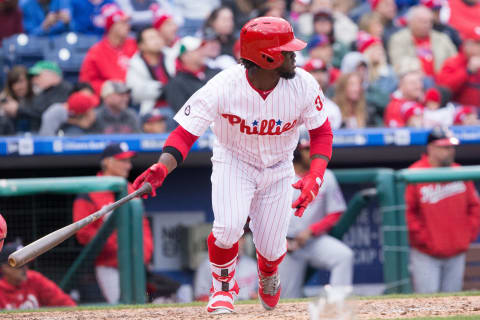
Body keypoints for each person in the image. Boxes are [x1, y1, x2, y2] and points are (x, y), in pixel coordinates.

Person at [132, 16, 333, 314]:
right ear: (266, 57)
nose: (294, 56)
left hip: (279, 168)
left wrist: (315, 174)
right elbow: (185, 134)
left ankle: (268, 273)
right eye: (287, 51)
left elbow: (322, 133)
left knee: (272, 248)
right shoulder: (223, 86)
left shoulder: (303, 84)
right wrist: (162, 166)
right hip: (234, 161)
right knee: (227, 229)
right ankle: (224, 289)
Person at [73, 143, 154, 304]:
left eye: (129, 161)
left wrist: (142, 254)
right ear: (107, 162)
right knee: (121, 308)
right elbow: (83, 234)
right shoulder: (90, 191)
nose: (128, 166)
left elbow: (142, 227)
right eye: (123, 161)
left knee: (140, 307)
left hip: (135, 265)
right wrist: (121, 249)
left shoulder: (130, 189)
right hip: (106, 266)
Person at [406, 127, 480, 293]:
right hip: (426, 255)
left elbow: (475, 207)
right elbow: (408, 213)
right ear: (431, 148)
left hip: (456, 253)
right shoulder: (415, 173)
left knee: (452, 306)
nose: (450, 151)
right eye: (444, 147)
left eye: (451, 147)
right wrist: (425, 240)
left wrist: (466, 236)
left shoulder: (459, 171)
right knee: (427, 306)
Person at [278, 137, 353, 298]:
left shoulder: (326, 176)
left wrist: (311, 231)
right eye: (306, 149)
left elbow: (336, 213)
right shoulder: (281, 176)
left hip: (313, 241)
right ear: (297, 151)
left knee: (344, 256)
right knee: (287, 298)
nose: (312, 154)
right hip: (285, 245)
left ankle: (337, 305)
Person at [79, 4, 137, 96]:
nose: (127, 26)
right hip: (111, 98)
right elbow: (87, 82)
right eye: (123, 23)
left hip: (136, 92)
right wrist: (107, 87)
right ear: (111, 27)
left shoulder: (134, 44)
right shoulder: (96, 51)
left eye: (127, 23)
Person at [388, 5, 456, 79]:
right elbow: (398, 63)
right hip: (414, 81)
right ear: (410, 22)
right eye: (422, 22)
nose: (426, 25)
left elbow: (454, 60)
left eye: (429, 22)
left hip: (443, 80)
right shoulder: (398, 39)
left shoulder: (442, 38)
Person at [0, 243, 76, 309]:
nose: (25, 268)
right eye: (21, 265)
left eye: (27, 264)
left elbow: (65, 303)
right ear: (4, 268)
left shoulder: (35, 279)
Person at [2, 61, 72, 133]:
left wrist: (18, 108)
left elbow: (44, 111)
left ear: (52, 75)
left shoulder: (65, 89)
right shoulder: (45, 91)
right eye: (32, 77)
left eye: (37, 76)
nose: (33, 80)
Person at [164, 36, 220, 113]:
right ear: (184, 56)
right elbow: (183, 114)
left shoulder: (217, 72)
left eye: (201, 49)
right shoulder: (176, 84)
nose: (202, 52)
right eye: (197, 50)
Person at [194, 234, 258, 302]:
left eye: (240, 238)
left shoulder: (251, 264)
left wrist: (255, 296)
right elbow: (200, 297)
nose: (237, 242)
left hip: (247, 308)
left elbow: (259, 293)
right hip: (220, 307)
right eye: (233, 238)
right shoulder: (207, 264)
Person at [126, 26, 174, 115]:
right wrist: (164, 89)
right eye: (151, 38)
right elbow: (136, 93)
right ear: (141, 45)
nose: (157, 40)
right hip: (152, 109)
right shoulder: (135, 64)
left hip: (178, 105)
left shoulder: (172, 55)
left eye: (158, 36)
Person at [436, 29, 480, 107]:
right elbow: (444, 89)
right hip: (458, 110)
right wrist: (467, 71)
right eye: (476, 44)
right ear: (466, 45)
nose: (477, 48)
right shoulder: (453, 62)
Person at [303, 58, 342, 129]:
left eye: (322, 72)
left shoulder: (333, 108)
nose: (319, 76)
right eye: (314, 72)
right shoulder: (296, 105)